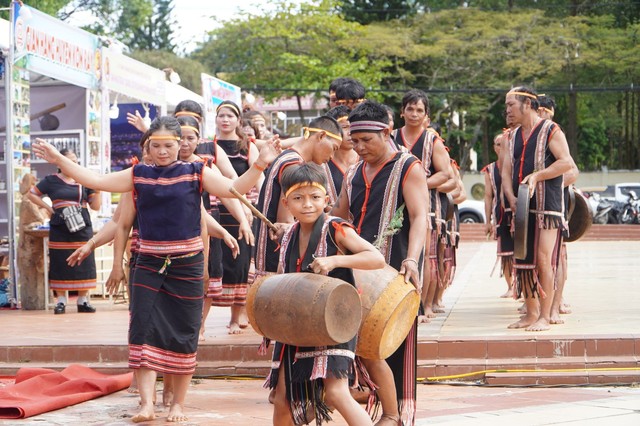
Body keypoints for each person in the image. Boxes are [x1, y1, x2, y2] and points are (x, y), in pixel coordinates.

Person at [32, 115, 279, 423]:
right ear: (148, 146)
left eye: (169, 145)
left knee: (184, 334)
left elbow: (233, 189)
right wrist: (58, 160)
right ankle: (147, 404)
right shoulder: (138, 174)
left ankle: (177, 405)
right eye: (157, 145)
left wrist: (259, 165)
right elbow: (96, 181)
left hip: (187, 266)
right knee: (142, 330)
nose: (163, 151)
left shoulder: (196, 172)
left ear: (181, 145)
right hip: (147, 264)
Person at [332, 100, 428, 426]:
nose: (358, 148)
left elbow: (419, 218)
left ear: (386, 132)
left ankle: (399, 414)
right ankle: (380, 408)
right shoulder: (352, 172)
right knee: (363, 343)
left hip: (397, 269)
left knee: (396, 342)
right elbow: (338, 217)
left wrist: (413, 259)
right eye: (353, 141)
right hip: (357, 272)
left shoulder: (408, 166)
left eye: (366, 141)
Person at [269, 163, 384, 426]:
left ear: (326, 200)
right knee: (283, 397)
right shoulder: (289, 235)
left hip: (334, 322)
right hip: (297, 325)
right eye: (298, 198)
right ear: (286, 203)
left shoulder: (336, 228)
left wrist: (334, 261)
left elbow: (375, 258)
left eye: (315, 197)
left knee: (336, 393)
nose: (307, 204)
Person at [501, 86, 573, 332]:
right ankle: (530, 314)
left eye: (511, 104)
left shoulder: (551, 129)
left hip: (547, 206)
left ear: (527, 104)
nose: (507, 110)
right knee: (522, 258)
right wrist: (510, 196)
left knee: (543, 259)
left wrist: (538, 176)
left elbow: (566, 163)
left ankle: (545, 315)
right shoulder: (511, 136)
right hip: (521, 205)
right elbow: (506, 171)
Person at [253, 116, 343, 282]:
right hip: (278, 258)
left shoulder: (287, 157)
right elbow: (286, 220)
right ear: (322, 136)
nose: (332, 155)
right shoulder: (293, 164)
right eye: (334, 148)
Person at [392, 89, 452, 322]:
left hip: (427, 206)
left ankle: (423, 306)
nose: (414, 114)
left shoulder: (432, 140)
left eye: (419, 110)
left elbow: (446, 174)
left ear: (426, 114)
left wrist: (419, 184)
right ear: (402, 111)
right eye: (410, 109)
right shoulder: (391, 137)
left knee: (424, 256)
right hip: (395, 207)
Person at [209, 101, 263, 334]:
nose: (225, 119)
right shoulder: (208, 146)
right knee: (214, 264)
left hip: (244, 207)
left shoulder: (248, 146)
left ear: (238, 120)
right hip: (214, 209)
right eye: (221, 115)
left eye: (230, 115)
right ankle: (200, 324)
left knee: (241, 263)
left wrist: (257, 204)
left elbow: (258, 176)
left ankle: (235, 317)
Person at [27, 148, 101, 314]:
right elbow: (32, 194)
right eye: (70, 160)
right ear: (59, 162)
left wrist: (98, 188)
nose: (74, 164)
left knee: (84, 259)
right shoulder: (51, 180)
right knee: (60, 261)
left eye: (75, 161)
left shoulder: (83, 180)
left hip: (82, 226)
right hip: (60, 226)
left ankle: (83, 300)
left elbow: (95, 206)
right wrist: (49, 208)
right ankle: (61, 300)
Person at [537, 95, 579, 323]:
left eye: (546, 110)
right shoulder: (527, 134)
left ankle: (555, 305)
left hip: (554, 206)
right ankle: (535, 304)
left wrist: (548, 184)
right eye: (540, 109)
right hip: (533, 207)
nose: (543, 113)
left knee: (556, 258)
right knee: (537, 259)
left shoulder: (554, 132)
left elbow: (573, 170)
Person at [483, 132, 514, 298]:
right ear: (495, 148)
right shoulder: (489, 170)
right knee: (506, 253)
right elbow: (488, 196)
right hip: (501, 214)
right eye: (497, 144)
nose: (501, 146)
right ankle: (510, 286)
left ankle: (522, 285)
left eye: (504, 143)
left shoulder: (517, 163)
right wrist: (487, 221)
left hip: (518, 211)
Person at [324, 105, 359, 207]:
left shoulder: (366, 160)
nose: (350, 132)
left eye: (352, 127)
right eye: (344, 127)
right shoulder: (321, 163)